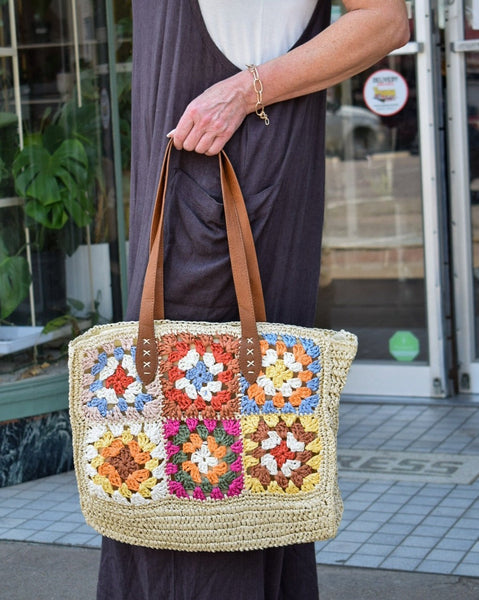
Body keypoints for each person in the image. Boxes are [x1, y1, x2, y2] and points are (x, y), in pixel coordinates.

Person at [97, 1, 410, 599]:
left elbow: (387, 20)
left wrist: (246, 91)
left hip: (234, 172)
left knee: (214, 458)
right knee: (185, 449)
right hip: (185, 175)